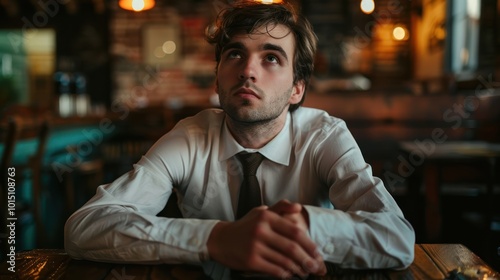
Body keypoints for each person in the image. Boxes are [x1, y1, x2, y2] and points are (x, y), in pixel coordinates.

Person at [64, 1, 415, 279]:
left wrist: (308, 225)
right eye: (234, 54)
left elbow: (396, 239)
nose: (247, 70)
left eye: (271, 58)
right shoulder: (190, 137)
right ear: (217, 79)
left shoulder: (323, 136)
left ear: (297, 89)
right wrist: (216, 239)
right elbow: (85, 228)